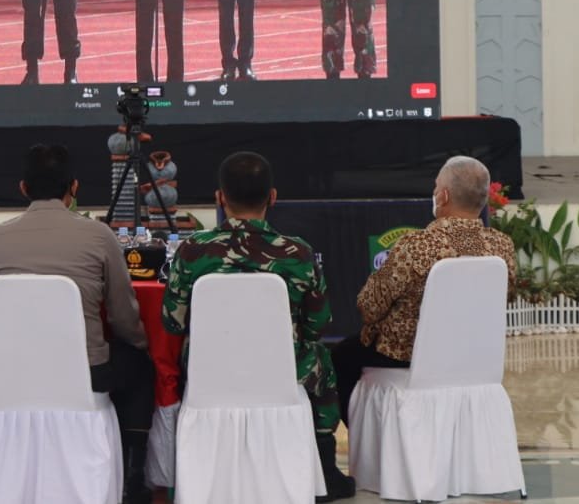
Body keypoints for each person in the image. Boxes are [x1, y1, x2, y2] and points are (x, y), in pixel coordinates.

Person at [161, 152, 356, 502]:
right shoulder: (298, 253)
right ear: (273, 197)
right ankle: (323, 465)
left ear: (219, 197)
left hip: (209, 378)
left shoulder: (191, 253)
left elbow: (171, 324)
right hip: (283, 377)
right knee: (319, 357)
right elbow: (317, 326)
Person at [0, 145, 154, 503]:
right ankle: (133, 477)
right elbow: (123, 316)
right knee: (139, 367)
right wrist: (139, 346)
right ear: (74, 188)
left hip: (9, 373)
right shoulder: (100, 237)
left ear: (23, 188)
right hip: (87, 374)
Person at [330, 156, 516, 427]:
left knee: (342, 355)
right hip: (472, 356)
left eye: (435, 187)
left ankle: (364, 439)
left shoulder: (415, 246)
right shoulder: (502, 246)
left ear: (443, 196)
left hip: (408, 356)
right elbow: (504, 299)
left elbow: (369, 307)